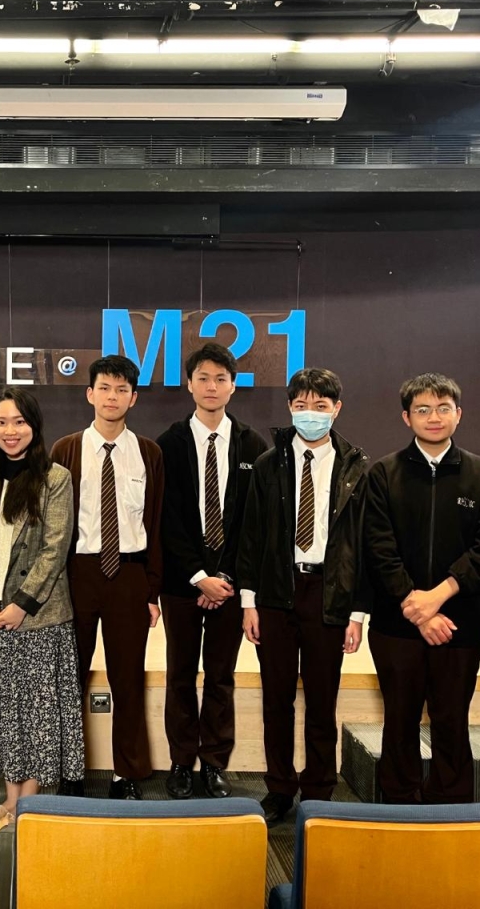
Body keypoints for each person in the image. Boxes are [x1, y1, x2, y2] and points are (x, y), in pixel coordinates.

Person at [364, 373, 480, 804]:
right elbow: (377, 546)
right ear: (406, 417)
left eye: (443, 408)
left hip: (460, 623)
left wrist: (439, 596)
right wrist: (415, 605)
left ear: (458, 414)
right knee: (399, 719)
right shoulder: (383, 474)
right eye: (423, 409)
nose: (434, 417)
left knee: (451, 719)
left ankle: (451, 805)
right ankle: (398, 803)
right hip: (396, 623)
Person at [236, 367, 369, 824]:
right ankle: (278, 788)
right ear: (290, 408)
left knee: (321, 699)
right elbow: (251, 535)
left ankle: (318, 790)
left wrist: (357, 613)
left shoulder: (355, 467)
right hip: (276, 592)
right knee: (276, 699)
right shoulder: (268, 464)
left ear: (337, 409)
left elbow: (361, 545)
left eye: (320, 406)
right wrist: (249, 602)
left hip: (328, 593)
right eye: (301, 405)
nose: (310, 413)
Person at [0, 388, 83, 841]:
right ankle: (9, 799)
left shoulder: (55, 478)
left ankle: (25, 805)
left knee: (35, 714)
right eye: (1, 422)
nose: (10, 431)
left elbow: (55, 549)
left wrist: (20, 605)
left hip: (38, 618)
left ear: (34, 426)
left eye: (19, 422)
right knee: (6, 713)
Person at [156, 342, 268, 799]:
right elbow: (166, 519)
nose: (211, 386)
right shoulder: (168, 444)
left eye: (221, 379)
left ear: (233, 386)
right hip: (181, 584)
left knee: (221, 676)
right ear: (189, 384)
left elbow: (252, 523)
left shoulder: (252, 445)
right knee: (180, 673)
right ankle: (182, 762)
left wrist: (224, 579)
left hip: (230, 585)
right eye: (203, 378)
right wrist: (197, 575)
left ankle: (214, 763)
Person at [50, 354, 164, 799]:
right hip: (76, 574)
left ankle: (127, 774)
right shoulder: (66, 450)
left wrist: (152, 590)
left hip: (129, 575)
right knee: (69, 676)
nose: (111, 397)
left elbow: (155, 525)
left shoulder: (149, 453)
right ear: (89, 394)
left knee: (128, 677)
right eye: (104, 388)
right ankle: (69, 771)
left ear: (133, 398)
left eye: (121, 390)